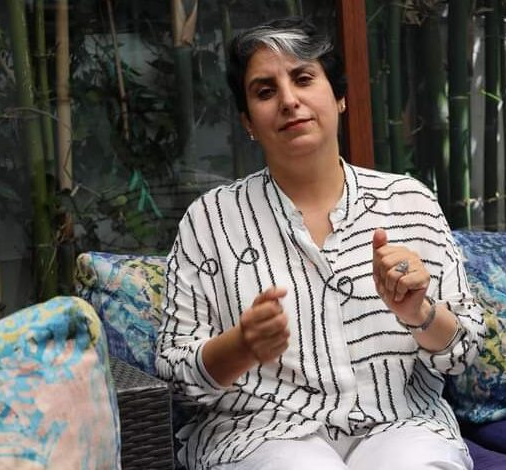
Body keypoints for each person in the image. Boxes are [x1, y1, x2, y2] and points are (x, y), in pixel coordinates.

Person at [156, 16, 486, 470]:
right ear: (248, 121)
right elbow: (175, 380)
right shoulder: (210, 221)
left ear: (340, 96)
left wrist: (418, 312)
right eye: (265, 91)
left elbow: (464, 350)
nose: (289, 100)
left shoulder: (409, 202)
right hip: (260, 434)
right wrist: (241, 346)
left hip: (400, 424)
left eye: (303, 78)